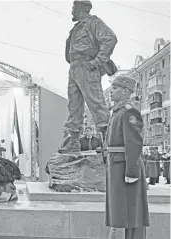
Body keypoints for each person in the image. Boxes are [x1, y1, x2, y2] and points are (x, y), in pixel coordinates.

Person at [59, 0, 118, 153]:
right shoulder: (76, 28)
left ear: (81, 8)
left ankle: (107, 140)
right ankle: (74, 141)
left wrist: (97, 61)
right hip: (74, 67)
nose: (72, 11)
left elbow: (110, 38)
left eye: (73, 7)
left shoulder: (93, 22)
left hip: (87, 66)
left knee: (96, 102)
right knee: (74, 105)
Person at [105, 76, 149, 239]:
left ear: (125, 91)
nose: (111, 91)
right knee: (121, 210)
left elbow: (134, 143)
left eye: (115, 88)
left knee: (132, 211)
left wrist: (131, 171)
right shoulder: (117, 111)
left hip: (125, 166)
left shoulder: (129, 111)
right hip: (117, 165)